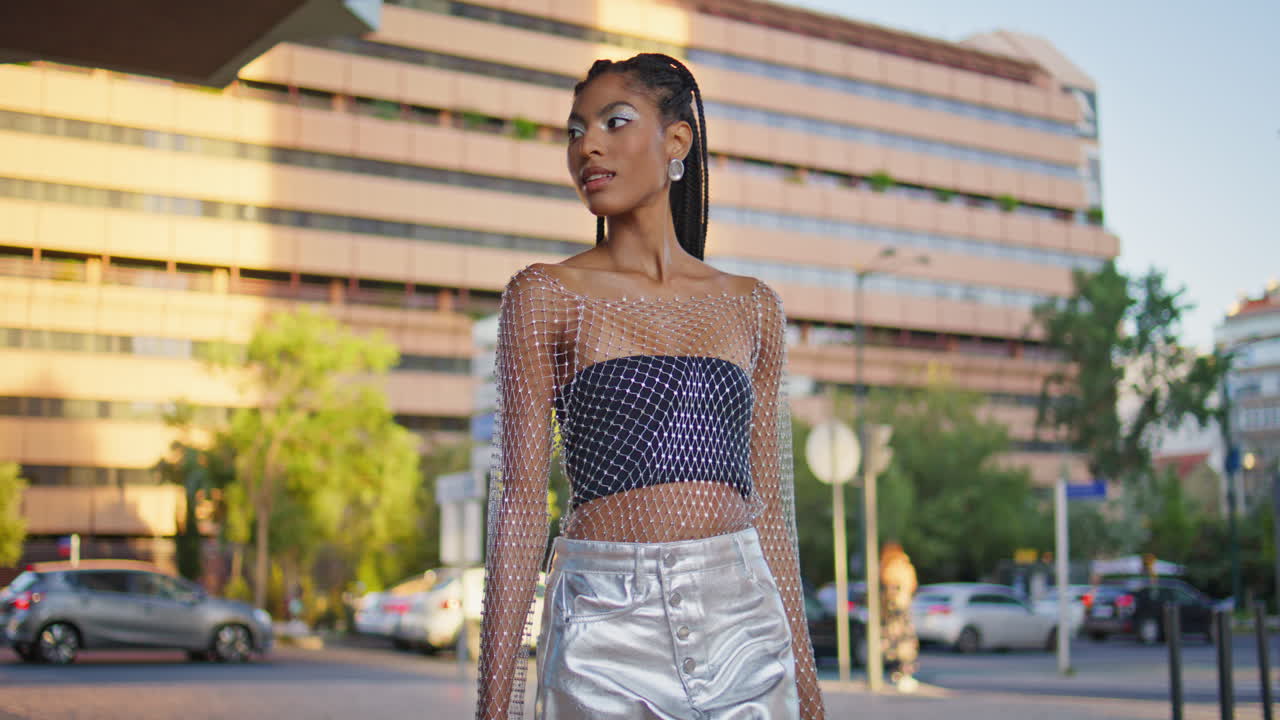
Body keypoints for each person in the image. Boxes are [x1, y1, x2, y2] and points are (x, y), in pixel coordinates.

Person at [474, 53, 825, 720]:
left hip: (744, 624)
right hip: (604, 628)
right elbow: (519, 506)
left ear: (676, 141)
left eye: (614, 122)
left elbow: (770, 512)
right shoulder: (546, 295)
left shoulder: (752, 307)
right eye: (576, 130)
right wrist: (495, 708)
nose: (588, 146)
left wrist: (808, 693)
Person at [879, 542, 919, 693]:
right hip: (904, 608)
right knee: (905, 643)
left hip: (895, 611)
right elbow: (912, 586)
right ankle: (904, 673)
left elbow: (890, 589)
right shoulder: (907, 567)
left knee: (895, 643)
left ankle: (898, 673)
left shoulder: (890, 567)